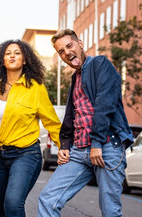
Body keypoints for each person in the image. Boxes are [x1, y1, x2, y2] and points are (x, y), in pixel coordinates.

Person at [38, 29, 134, 217]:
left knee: (110, 211)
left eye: (69, 46)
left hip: (106, 147)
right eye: (61, 51)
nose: (66, 53)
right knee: (48, 199)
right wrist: (65, 144)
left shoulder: (100, 64)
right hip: (79, 151)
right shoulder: (75, 78)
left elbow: (105, 105)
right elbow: (71, 115)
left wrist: (97, 143)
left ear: (80, 44)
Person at [0, 39, 61, 217]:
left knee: (12, 204)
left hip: (26, 154)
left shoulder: (35, 88)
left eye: (17, 53)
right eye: (8, 53)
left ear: (25, 59)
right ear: (2, 60)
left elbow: (52, 121)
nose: (12, 55)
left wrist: (64, 147)